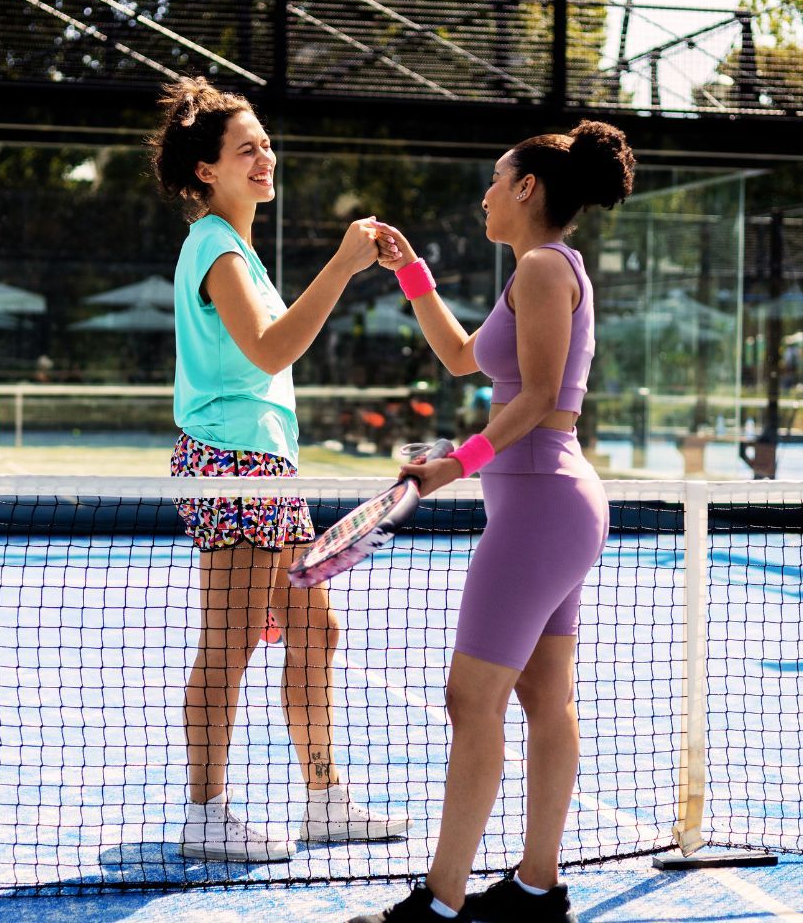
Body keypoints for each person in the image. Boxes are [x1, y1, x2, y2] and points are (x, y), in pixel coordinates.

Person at [351, 120, 635, 923]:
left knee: (470, 699)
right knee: (546, 698)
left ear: (527, 189)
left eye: (495, 178)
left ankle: (440, 903)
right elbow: (461, 357)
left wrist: (454, 464)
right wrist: (412, 274)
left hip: (543, 504)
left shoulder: (545, 268)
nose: (483, 194)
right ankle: (536, 892)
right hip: (551, 501)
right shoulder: (537, 272)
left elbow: (539, 400)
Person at [151, 76, 411, 863]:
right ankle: (206, 811)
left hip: (267, 464)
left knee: (314, 628)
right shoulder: (214, 246)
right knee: (228, 643)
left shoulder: (243, 253)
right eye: (245, 148)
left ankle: (324, 799)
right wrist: (340, 266)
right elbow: (269, 350)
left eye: (266, 144)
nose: (265, 156)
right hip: (232, 463)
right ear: (206, 171)